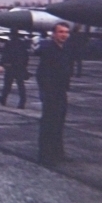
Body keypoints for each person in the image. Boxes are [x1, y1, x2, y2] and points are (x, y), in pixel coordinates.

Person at [35, 22, 73, 165]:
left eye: (66, 32)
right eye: (61, 32)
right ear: (54, 34)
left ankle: (58, 153)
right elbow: (41, 73)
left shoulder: (66, 49)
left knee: (59, 123)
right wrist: (45, 92)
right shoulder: (49, 50)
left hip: (61, 92)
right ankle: (44, 155)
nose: (64, 35)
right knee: (48, 123)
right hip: (51, 93)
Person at [0, 27, 29, 109]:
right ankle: (22, 102)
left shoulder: (9, 43)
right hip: (20, 67)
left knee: (7, 84)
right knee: (21, 85)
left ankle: (3, 98)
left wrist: (1, 64)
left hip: (10, 67)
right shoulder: (22, 44)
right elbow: (26, 56)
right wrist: (24, 66)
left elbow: (5, 55)